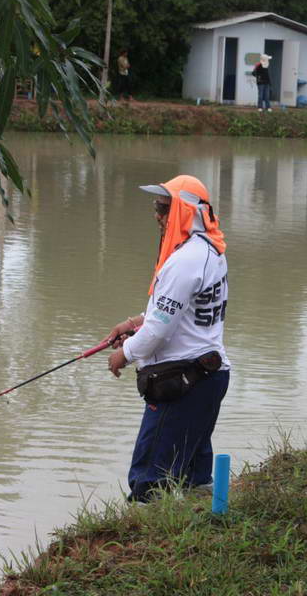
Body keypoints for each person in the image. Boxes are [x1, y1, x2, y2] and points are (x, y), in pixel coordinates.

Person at [105, 174, 230, 503]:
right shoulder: (208, 251)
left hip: (182, 382)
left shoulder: (185, 261)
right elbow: (179, 314)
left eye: (163, 208)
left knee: (149, 477)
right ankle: (204, 533)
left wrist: (124, 354)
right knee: (194, 477)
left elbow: (158, 331)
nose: (157, 216)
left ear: (185, 213)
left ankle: (140, 547)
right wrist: (135, 322)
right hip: (208, 376)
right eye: (156, 207)